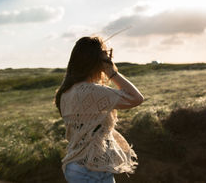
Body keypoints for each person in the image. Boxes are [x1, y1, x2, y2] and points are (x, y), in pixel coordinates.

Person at [55, 36, 144, 183]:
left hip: (82, 166)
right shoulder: (91, 92)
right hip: (90, 169)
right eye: (105, 56)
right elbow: (136, 98)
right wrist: (111, 72)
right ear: (97, 62)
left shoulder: (65, 92)